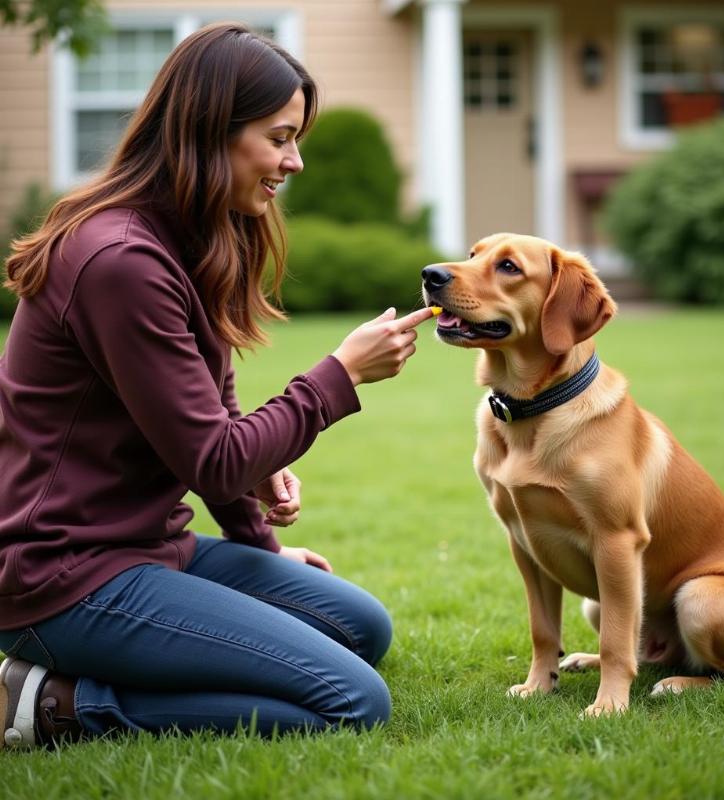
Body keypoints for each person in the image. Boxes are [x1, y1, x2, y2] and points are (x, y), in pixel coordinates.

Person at [0, 21, 434, 748]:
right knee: (352, 700)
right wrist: (340, 375)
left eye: (297, 139)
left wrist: (257, 549)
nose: (294, 161)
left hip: (146, 546)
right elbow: (216, 456)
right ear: (209, 132)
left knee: (360, 626)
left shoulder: (194, 236)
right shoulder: (120, 260)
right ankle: (52, 702)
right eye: (279, 137)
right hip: (66, 576)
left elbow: (212, 420)